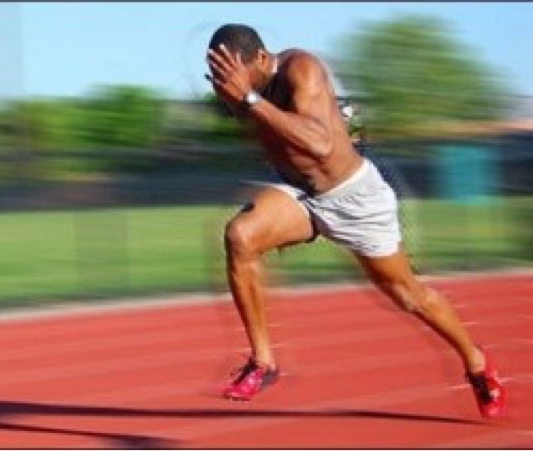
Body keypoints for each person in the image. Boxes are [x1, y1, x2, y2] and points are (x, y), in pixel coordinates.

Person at [204, 23, 506, 418]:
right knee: (240, 236)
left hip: (354, 198)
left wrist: (248, 99)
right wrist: (243, 102)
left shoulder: (301, 68)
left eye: (233, 71)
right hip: (301, 195)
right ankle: (263, 362)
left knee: (408, 295)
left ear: (261, 58)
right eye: (220, 73)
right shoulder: (249, 93)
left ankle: (476, 362)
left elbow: (320, 144)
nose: (228, 82)